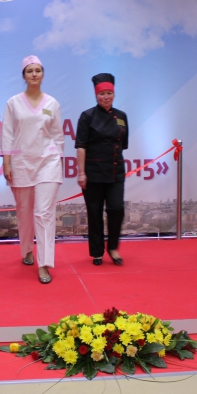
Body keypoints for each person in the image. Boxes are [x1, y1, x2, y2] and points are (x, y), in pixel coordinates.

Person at [0, 55, 65, 284]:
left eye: (38, 70)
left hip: (48, 162)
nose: (34, 74)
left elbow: (58, 135)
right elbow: (7, 133)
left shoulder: (52, 104)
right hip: (21, 163)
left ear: (43, 74)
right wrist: (7, 162)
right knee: (24, 212)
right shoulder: (13, 103)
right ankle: (27, 249)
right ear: (24, 76)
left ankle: (44, 263)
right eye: (30, 71)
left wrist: (57, 157)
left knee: (44, 213)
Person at [76, 73, 128, 266]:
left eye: (109, 93)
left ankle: (112, 247)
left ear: (114, 94)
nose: (106, 97)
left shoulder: (121, 117)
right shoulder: (87, 116)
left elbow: (122, 145)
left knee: (116, 209)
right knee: (94, 212)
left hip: (115, 172)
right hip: (93, 173)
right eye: (102, 94)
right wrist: (81, 173)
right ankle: (97, 252)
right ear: (96, 95)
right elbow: (81, 147)